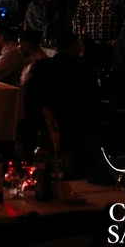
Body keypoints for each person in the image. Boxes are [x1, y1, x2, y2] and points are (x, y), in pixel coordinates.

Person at [23, 33, 100, 176]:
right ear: (71, 47)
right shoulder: (83, 70)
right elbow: (93, 101)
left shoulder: (41, 66)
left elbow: (29, 95)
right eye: (78, 44)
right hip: (74, 125)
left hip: (42, 124)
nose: (81, 48)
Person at [71, 0, 125, 68]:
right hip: (90, 45)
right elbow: (77, 19)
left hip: (109, 45)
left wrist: (119, 40)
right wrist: (80, 41)